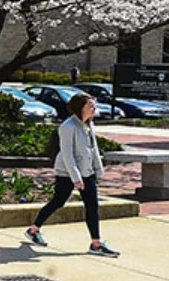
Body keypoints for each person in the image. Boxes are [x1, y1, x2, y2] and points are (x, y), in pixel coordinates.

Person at [25, 93, 120, 257]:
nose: (94, 108)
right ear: (80, 107)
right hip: (66, 172)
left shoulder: (89, 124)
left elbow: (94, 148)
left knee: (92, 206)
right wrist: (76, 178)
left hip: (87, 172)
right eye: (90, 105)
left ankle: (96, 243)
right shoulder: (67, 127)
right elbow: (68, 154)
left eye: (94, 105)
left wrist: (98, 169)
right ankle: (34, 230)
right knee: (58, 202)